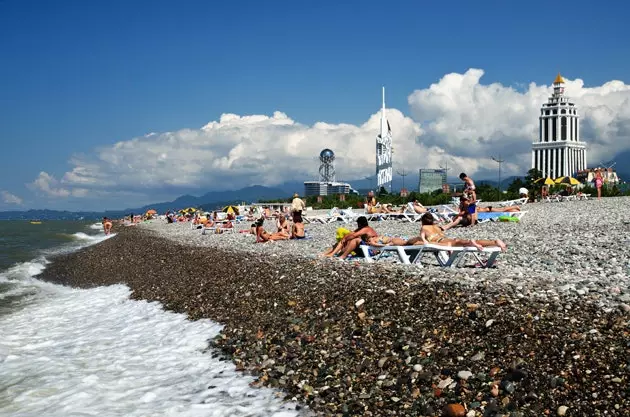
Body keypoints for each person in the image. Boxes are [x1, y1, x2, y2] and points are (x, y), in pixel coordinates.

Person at [407, 213, 507, 252]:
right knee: (463, 242)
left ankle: (470, 242)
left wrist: (425, 242)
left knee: (461, 243)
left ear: (423, 221)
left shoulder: (424, 227)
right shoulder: (436, 227)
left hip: (442, 242)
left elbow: (422, 238)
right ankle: (494, 242)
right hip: (449, 240)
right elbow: (445, 228)